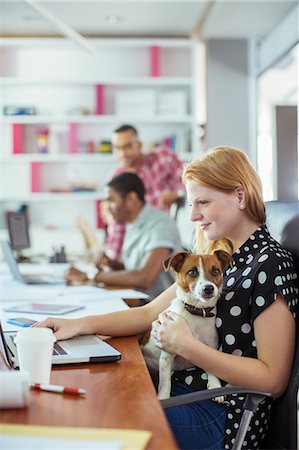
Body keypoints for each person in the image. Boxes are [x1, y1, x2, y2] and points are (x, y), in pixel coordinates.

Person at [37, 146, 297, 450]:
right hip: (184, 390)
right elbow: (147, 314)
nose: (192, 214)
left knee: (99, 417)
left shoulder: (270, 264)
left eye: (203, 202)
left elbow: (273, 380)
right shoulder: (220, 260)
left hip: (223, 414)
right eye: (191, 203)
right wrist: (77, 325)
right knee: (94, 395)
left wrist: (186, 346)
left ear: (239, 196)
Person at [66, 172, 181, 300]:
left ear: (131, 199)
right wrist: (114, 265)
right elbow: (136, 268)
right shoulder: (133, 223)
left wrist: (89, 275)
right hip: (138, 300)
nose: (107, 207)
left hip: (158, 308)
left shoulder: (160, 224)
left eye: (111, 200)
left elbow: (145, 278)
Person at [105, 124, 185, 261]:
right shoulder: (117, 179)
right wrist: (112, 257)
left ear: (139, 145)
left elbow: (191, 179)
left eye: (127, 146)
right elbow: (117, 223)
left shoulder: (163, 157)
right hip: (148, 241)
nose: (122, 154)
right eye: (117, 148)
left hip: (178, 232)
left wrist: (178, 193)